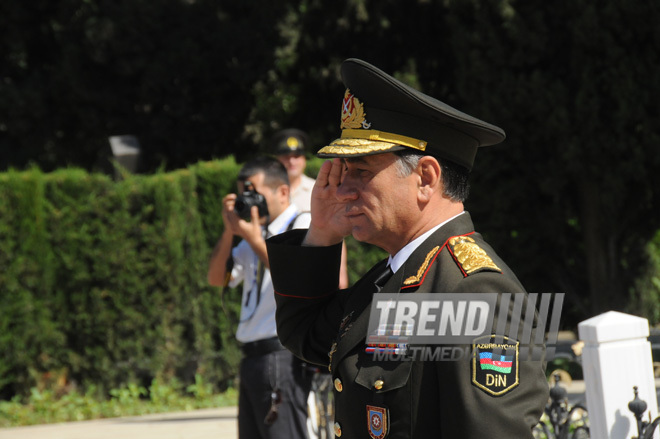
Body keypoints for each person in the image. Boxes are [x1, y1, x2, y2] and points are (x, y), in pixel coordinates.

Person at [265, 59, 549, 438]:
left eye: (361, 172)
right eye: (343, 172)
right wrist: (322, 233)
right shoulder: (396, 275)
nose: (343, 189)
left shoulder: (472, 290)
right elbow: (305, 334)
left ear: (426, 179)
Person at [207, 156, 312, 439]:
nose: (250, 203)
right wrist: (230, 232)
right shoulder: (255, 233)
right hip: (252, 356)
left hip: (280, 355)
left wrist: (254, 239)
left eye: (255, 195)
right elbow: (217, 279)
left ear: (282, 192)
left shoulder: (303, 223)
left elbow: (296, 279)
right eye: (244, 195)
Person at [271, 128, 349, 290]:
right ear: (277, 159)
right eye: (286, 156)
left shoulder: (319, 190)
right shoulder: (267, 194)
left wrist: (340, 272)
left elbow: (336, 231)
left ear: (304, 159)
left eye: (297, 156)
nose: (292, 161)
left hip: (313, 270)